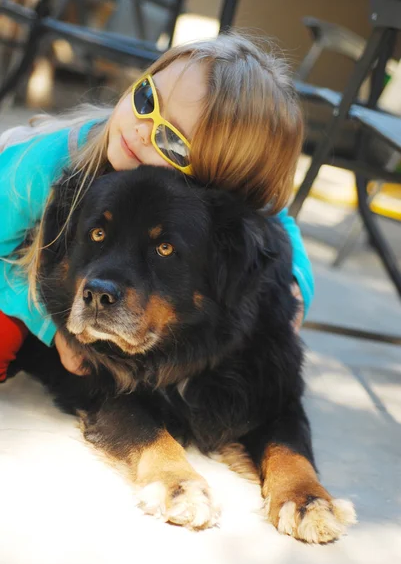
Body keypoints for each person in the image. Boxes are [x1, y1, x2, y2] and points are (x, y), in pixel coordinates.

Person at [0, 32, 313, 381]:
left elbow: (271, 214)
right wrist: (49, 327)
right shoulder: (45, 165)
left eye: (172, 140)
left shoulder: (201, 199)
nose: (141, 130)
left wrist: (296, 282)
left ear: (214, 177)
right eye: (147, 99)